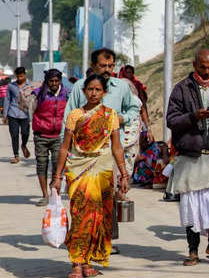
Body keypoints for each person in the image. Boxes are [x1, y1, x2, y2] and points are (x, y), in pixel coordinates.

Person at [50, 74, 129, 278]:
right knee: (80, 215)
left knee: (98, 217)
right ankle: (76, 262)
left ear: (104, 92)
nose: (94, 93)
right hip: (78, 170)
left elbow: (117, 146)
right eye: (90, 89)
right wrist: (57, 176)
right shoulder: (76, 115)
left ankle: (87, 262)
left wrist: (123, 173)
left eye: (98, 90)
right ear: (84, 91)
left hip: (102, 170)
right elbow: (65, 147)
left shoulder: (111, 115)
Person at [63, 48, 141, 255]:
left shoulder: (122, 87)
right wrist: (63, 165)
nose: (107, 70)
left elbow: (135, 108)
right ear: (93, 66)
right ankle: (82, 247)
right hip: (82, 158)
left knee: (107, 200)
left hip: (110, 155)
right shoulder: (80, 87)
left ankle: (104, 240)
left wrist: (120, 119)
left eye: (110, 66)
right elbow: (67, 122)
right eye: (103, 66)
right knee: (83, 203)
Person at [166, 49, 209, 266]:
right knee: (192, 207)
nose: (206, 72)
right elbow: (172, 121)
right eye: (202, 67)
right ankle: (192, 250)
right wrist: (194, 116)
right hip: (191, 157)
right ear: (194, 65)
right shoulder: (181, 89)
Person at [30, 69, 70, 207]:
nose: (54, 83)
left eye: (56, 81)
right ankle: (45, 195)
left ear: (60, 81)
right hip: (41, 135)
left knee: (57, 165)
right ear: (47, 81)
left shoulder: (67, 94)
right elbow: (29, 109)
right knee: (42, 165)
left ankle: (54, 194)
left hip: (59, 136)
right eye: (51, 81)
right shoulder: (38, 94)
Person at [3, 67, 32, 163]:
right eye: (18, 76)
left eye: (22, 76)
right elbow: (7, 100)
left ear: (25, 75)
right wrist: (5, 115)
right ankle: (16, 155)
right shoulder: (11, 86)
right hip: (13, 113)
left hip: (25, 114)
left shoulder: (30, 85)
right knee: (14, 135)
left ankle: (24, 145)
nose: (20, 78)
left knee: (25, 133)